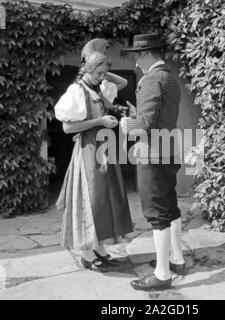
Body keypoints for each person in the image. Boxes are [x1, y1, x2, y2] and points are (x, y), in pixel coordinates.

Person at [54, 49, 133, 271]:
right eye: (98, 73)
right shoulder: (76, 91)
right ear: (87, 70)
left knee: (107, 200)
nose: (102, 77)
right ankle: (87, 254)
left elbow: (122, 82)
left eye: (103, 73)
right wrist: (100, 120)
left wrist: (103, 72)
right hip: (88, 151)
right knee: (93, 200)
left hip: (104, 149)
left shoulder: (98, 88)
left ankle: (100, 250)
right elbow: (68, 127)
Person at [121, 33, 186, 290]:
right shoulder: (170, 79)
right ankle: (177, 259)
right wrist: (140, 117)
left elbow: (142, 128)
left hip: (152, 153)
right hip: (169, 150)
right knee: (170, 207)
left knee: (156, 213)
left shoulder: (150, 80)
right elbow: (158, 119)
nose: (137, 62)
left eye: (138, 55)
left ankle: (162, 275)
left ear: (147, 53)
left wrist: (127, 124)